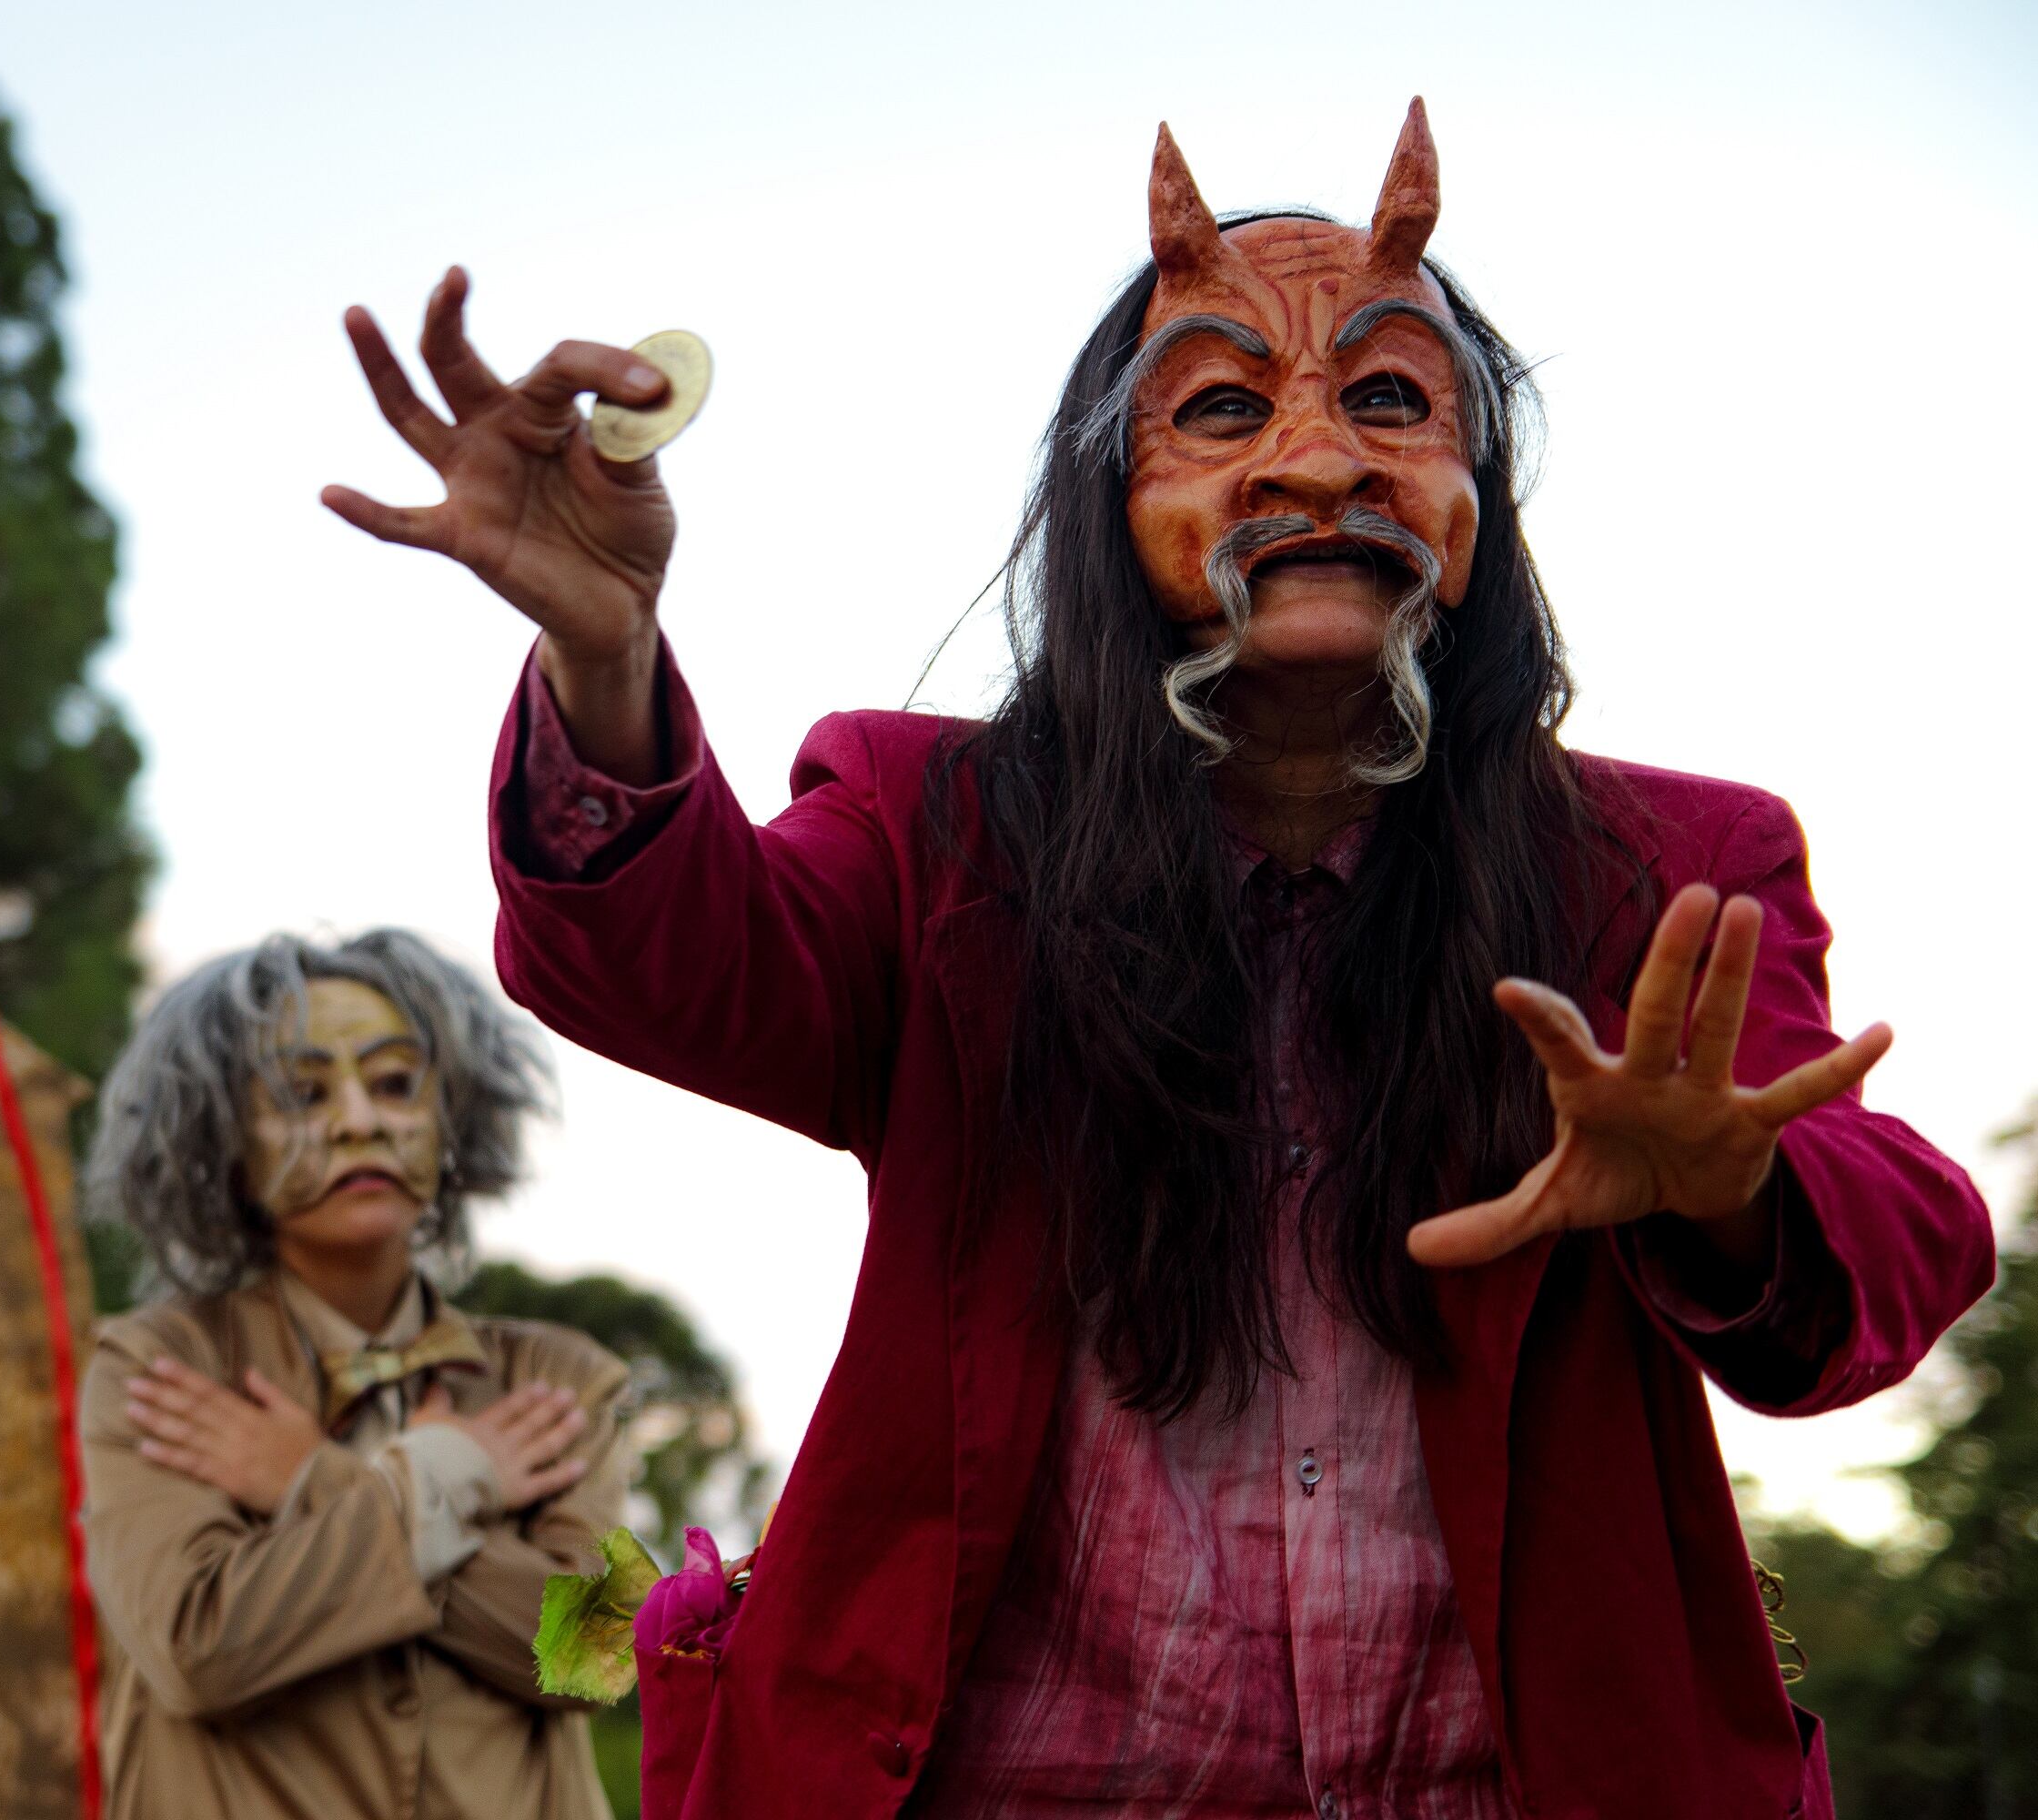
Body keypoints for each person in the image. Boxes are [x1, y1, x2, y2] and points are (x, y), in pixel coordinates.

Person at [320, 102, 1994, 1820]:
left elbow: (1899, 1239)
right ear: (1110, 503)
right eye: (1221, 408)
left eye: (1393, 401)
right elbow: (668, 964)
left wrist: (1730, 1191)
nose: (1319, 463)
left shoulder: (1670, 874)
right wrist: (605, 657)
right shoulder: (934, 832)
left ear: (1480, 490)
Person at [76, 929, 628, 1820]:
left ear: (451, 1112)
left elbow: (600, 1655)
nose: (359, 1120)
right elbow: (193, 1646)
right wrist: (450, 1477)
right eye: (302, 1091)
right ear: (224, 1137)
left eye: (396, 1082)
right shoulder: (154, 1364)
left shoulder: (567, 1375)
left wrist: (313, 1479)